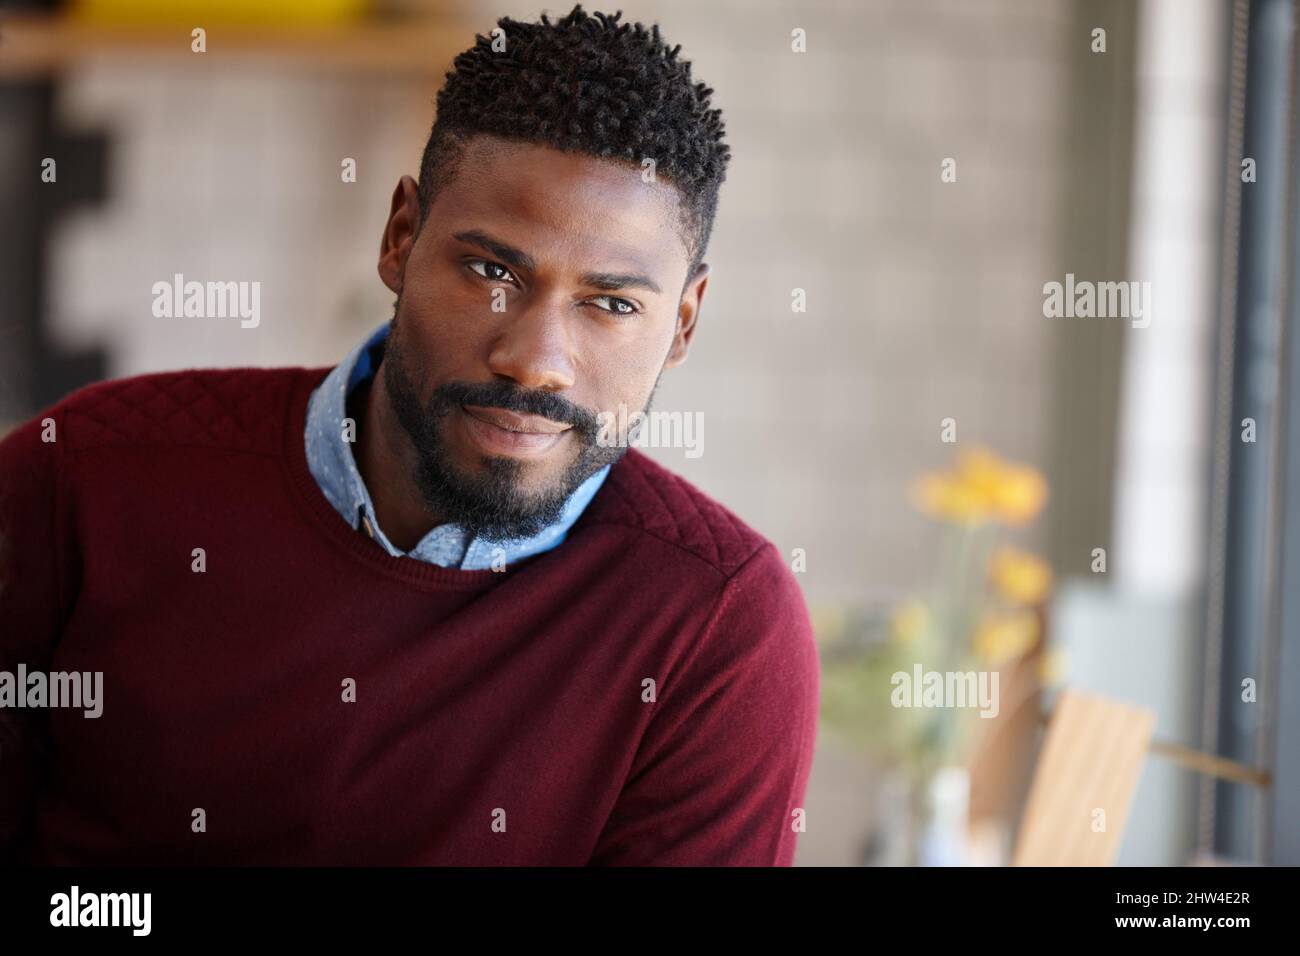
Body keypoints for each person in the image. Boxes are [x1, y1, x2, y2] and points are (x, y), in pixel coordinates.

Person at [0, 5, 819, 866]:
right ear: (401, 239)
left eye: (611, 304)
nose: (534, 361)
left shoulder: (717, 637)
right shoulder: (84, 480)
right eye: (491, 271)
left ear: (683, 323)